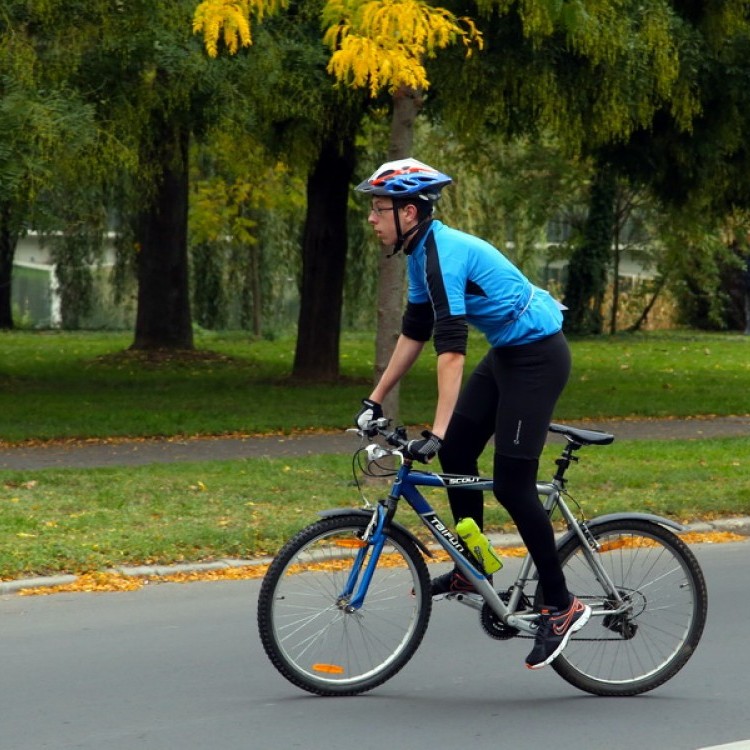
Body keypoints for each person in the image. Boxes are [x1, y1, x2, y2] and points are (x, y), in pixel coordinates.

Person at [353, 158, 590, 670]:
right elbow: (416, 331)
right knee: (459, 452)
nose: (371, 219)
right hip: (508, 354)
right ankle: (473, 565)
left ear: (409, 212)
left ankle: (561, 603)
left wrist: (434, 429)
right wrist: (375, 398)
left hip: (538, 357)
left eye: (378, 209)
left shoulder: (442, 255)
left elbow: (452, 350)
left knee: (512, 484)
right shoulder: (420, 254)